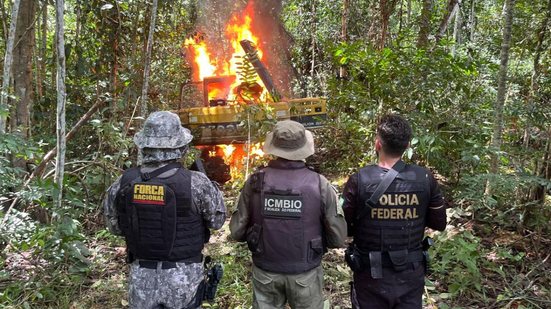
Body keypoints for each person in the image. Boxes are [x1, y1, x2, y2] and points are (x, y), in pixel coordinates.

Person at [103, 111, 226, 309]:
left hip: (141, 280)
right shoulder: (196, 182)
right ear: (181, 147)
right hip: (183, 281)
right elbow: (217, 222)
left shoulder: (124, 183)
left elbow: (114, 227)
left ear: (144, 146)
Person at [229, 120, 347, 309]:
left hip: (266, 272)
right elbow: (338, 238)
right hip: (305, 273)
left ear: (274, 147)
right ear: (303, 148)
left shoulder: (255, 182)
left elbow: (236, 232)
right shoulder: (319, 183)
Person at [342, 114, 446, 309]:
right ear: (407, 146)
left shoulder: (359, 179)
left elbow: (345, 226)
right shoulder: (424, 178)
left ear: (378, 144)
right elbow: (439, 223)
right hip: (409, 274)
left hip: (370, 274)